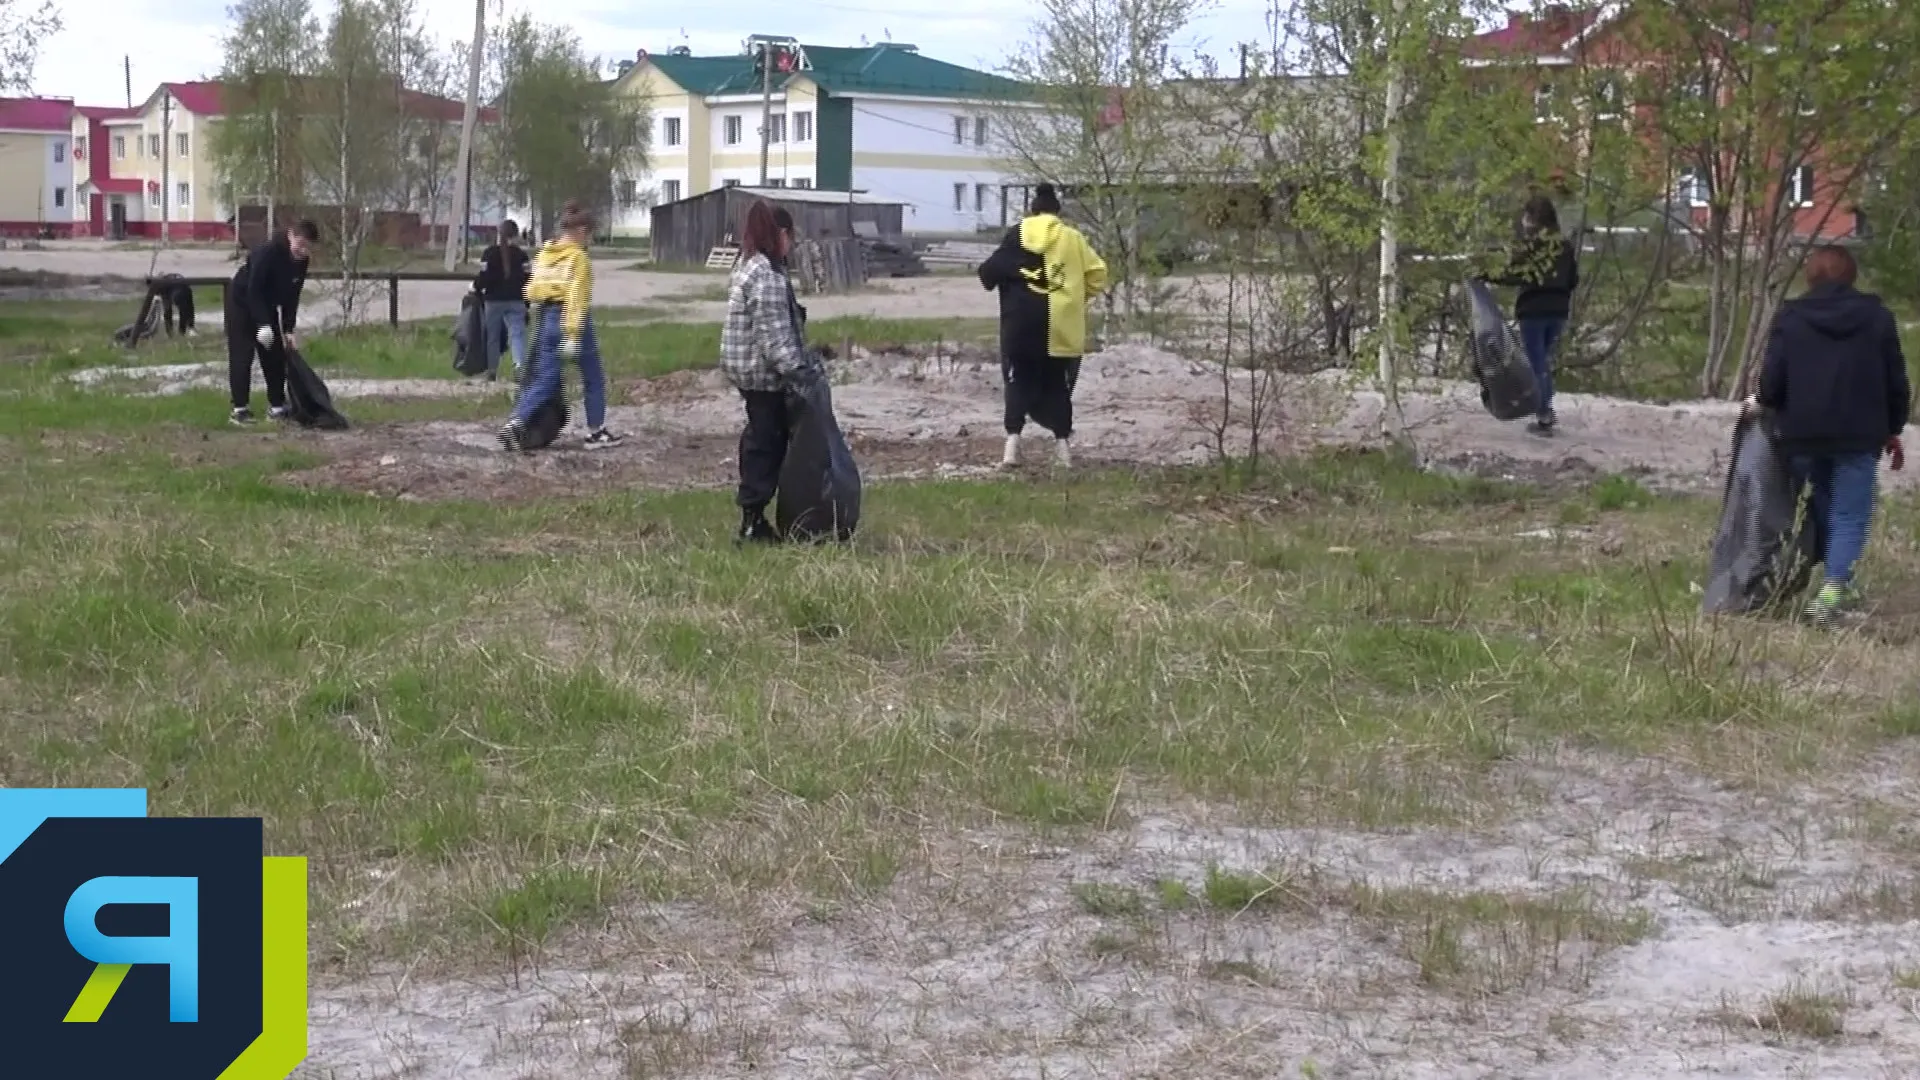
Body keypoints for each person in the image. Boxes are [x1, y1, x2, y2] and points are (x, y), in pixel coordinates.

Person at [1752, 243, 1910, 627]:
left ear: (1810, 276)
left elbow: (1772, 383)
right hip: (1859, 433)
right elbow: (1895, 380)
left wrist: (1763, 404)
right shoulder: (1877, 318)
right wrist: (1893, 427)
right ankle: (1835, 587)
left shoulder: (1791, 317)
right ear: (1852, 276)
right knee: (1849, 511)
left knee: (1823, 501)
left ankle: (1836, 576)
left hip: (1801, 433)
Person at [976, 183, 1108, 470]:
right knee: (1056, 382)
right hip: (1060, 322)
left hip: (1020, 323)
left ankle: (1011, 448)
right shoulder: (1072, 238)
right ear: (1058, 213)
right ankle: (1063, 450)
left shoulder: (1016, 235)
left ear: (1032, 211)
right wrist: (1076, 296)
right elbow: (1098, 274)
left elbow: (987, 274)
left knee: (1019, 380)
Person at [720, 199, 820, 543]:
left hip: (746, 371)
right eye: (790, 235)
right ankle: (753, 522)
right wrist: (798, 372)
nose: (791, 243)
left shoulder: (749, 265)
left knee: (761, 438)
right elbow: (773, 335)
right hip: (761, 375)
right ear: (780, 233)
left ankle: (755, 514)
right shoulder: (768, 276)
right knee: (766, 443)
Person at [499, 201, 622, 451]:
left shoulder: (546, 253)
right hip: (572, 320)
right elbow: (576, 297)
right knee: (593, 377)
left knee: (545, 379)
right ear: (582, 231)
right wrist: (572, 334)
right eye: (590, 235)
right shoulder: (578, 258)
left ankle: (516, 421)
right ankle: (595, 432)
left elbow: (532, 289)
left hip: (546, 317)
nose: (590, 241)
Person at [1487, 194, 1579, 436]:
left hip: (1533, 311)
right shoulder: (1564, 246)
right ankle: (1544, 408)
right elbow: (1573, 279)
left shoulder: (1532, 247)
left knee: (1535, 361)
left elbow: (1513, 274)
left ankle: (1544, 411)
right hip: (1558, 311)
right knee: (1543, 359)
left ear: (1531, 219)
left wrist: (1485, 275)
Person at [226, 218, 318, 425]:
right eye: (300, 244)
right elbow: (254, 289)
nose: (303, 250)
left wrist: (288, 329)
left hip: (267, 305)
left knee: (274, 355)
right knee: (242, 355)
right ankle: (239, 409)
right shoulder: (268, 252)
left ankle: (277, 406)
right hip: (241, 302)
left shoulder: (302, 261)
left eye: (308, 247)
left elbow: (293, 295)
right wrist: (262, 324)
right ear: (291, 236)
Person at [472, 218, 531, 383]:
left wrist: (476, 289)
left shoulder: (489, 254)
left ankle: (492, 371)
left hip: (493, 300)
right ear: (517, 235)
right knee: (517, 335)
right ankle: (519, 366)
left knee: (492, 336)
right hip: (516, 300)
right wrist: (527, 304)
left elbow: (483, 277)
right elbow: (528, 280)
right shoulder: (522, 256)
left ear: (499, 233)